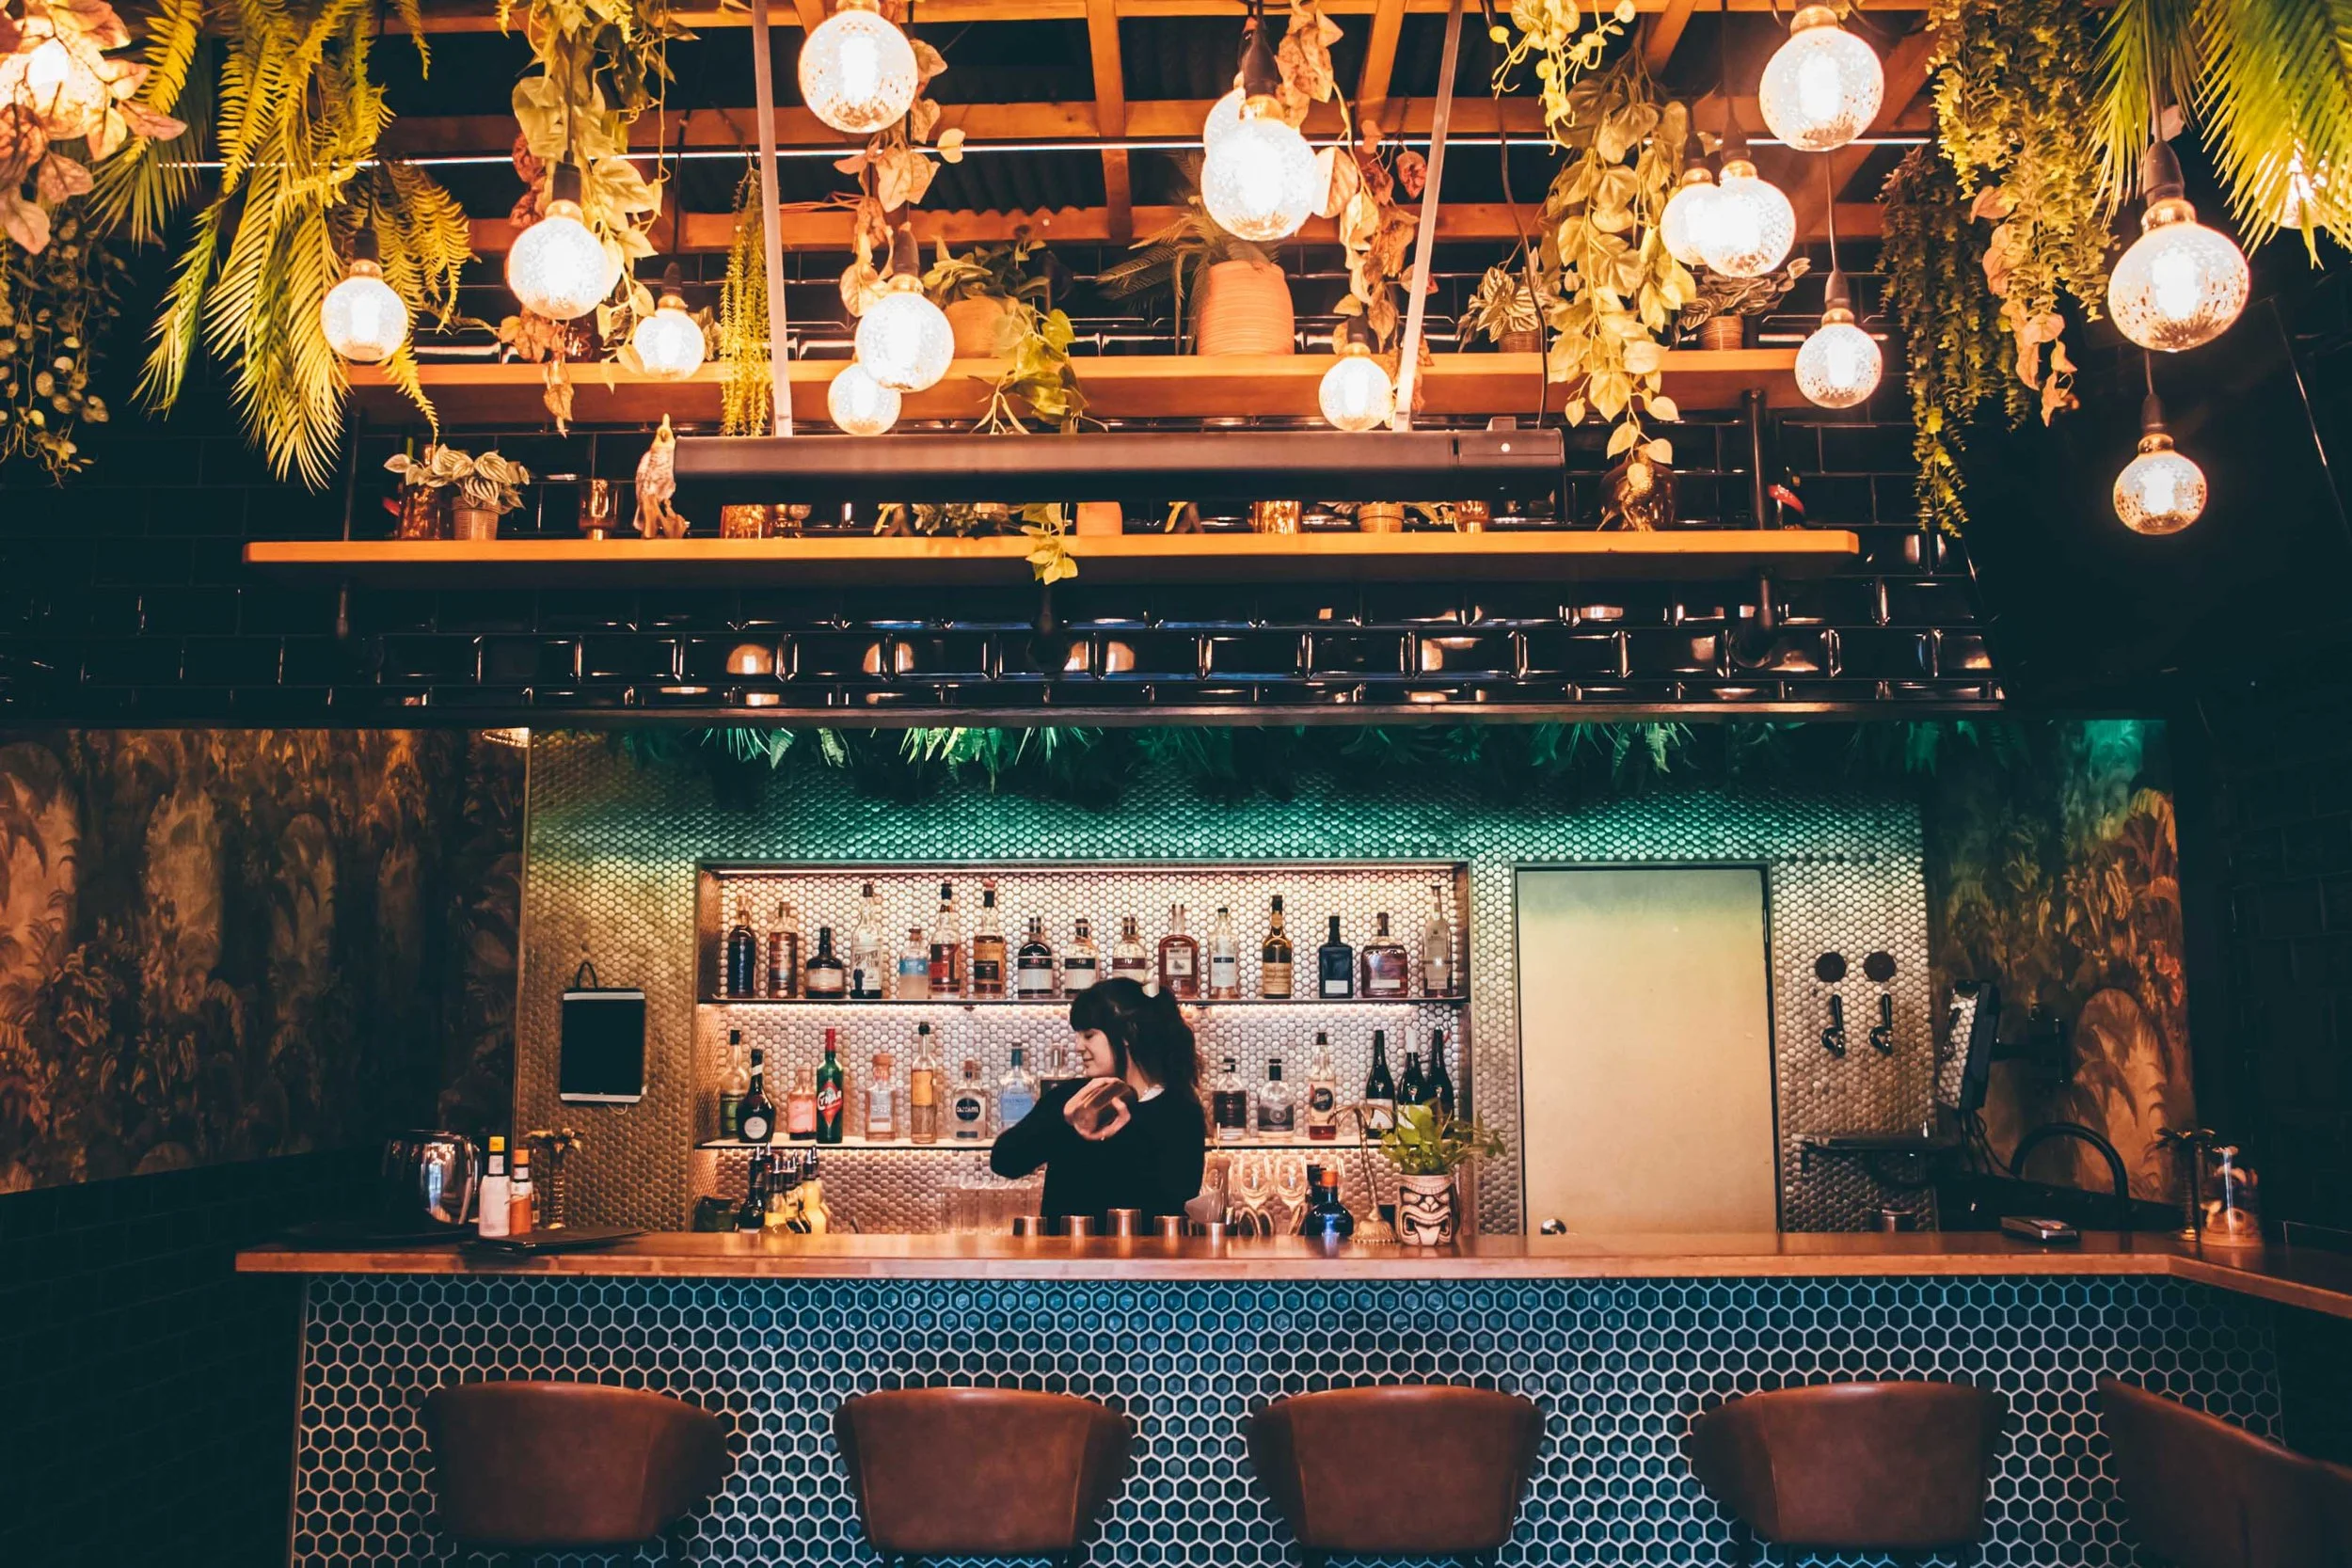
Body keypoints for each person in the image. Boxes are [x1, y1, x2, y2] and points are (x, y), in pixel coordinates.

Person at [991, 977, 1206, 1224]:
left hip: (1143, 1249)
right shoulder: (1071, 1097)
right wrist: (1065, 1119)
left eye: (1089, 1035)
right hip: (1064, 1249)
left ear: (1128, 1033)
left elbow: (1177, 1200)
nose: (1078, 1046)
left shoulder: (1179, 1109)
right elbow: (1005, 1161)